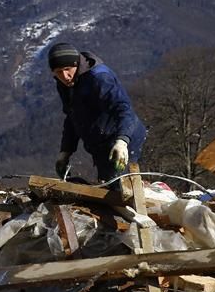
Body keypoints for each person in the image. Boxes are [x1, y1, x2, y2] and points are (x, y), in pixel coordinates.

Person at [48, 42, 146, 188]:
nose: (65, 76)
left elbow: (124, 110)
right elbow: (72, 117)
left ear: (76, 64)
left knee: (119, 188)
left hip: (123, 136)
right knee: (106, 187)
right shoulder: (65, 84)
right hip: (100, 143)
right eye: (58, 72)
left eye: (68, 69)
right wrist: (65, 151)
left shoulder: (99, 78)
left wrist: (122, 141)